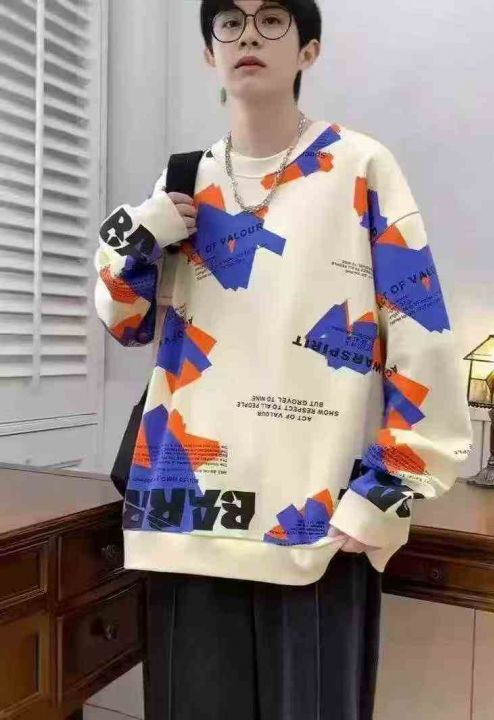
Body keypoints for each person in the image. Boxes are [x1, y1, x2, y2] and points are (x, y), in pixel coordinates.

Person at [93, 1, 474, 717]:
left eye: (271, 20)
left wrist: (387, 490)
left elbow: (418, 330)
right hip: (185, 523)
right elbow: (127, 325)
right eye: (229, 22)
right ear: (208, 52)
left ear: (308, 49)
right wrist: (138, 237)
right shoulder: (182, 179)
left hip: (318, 524)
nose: (247, 35)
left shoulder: (360, 165)